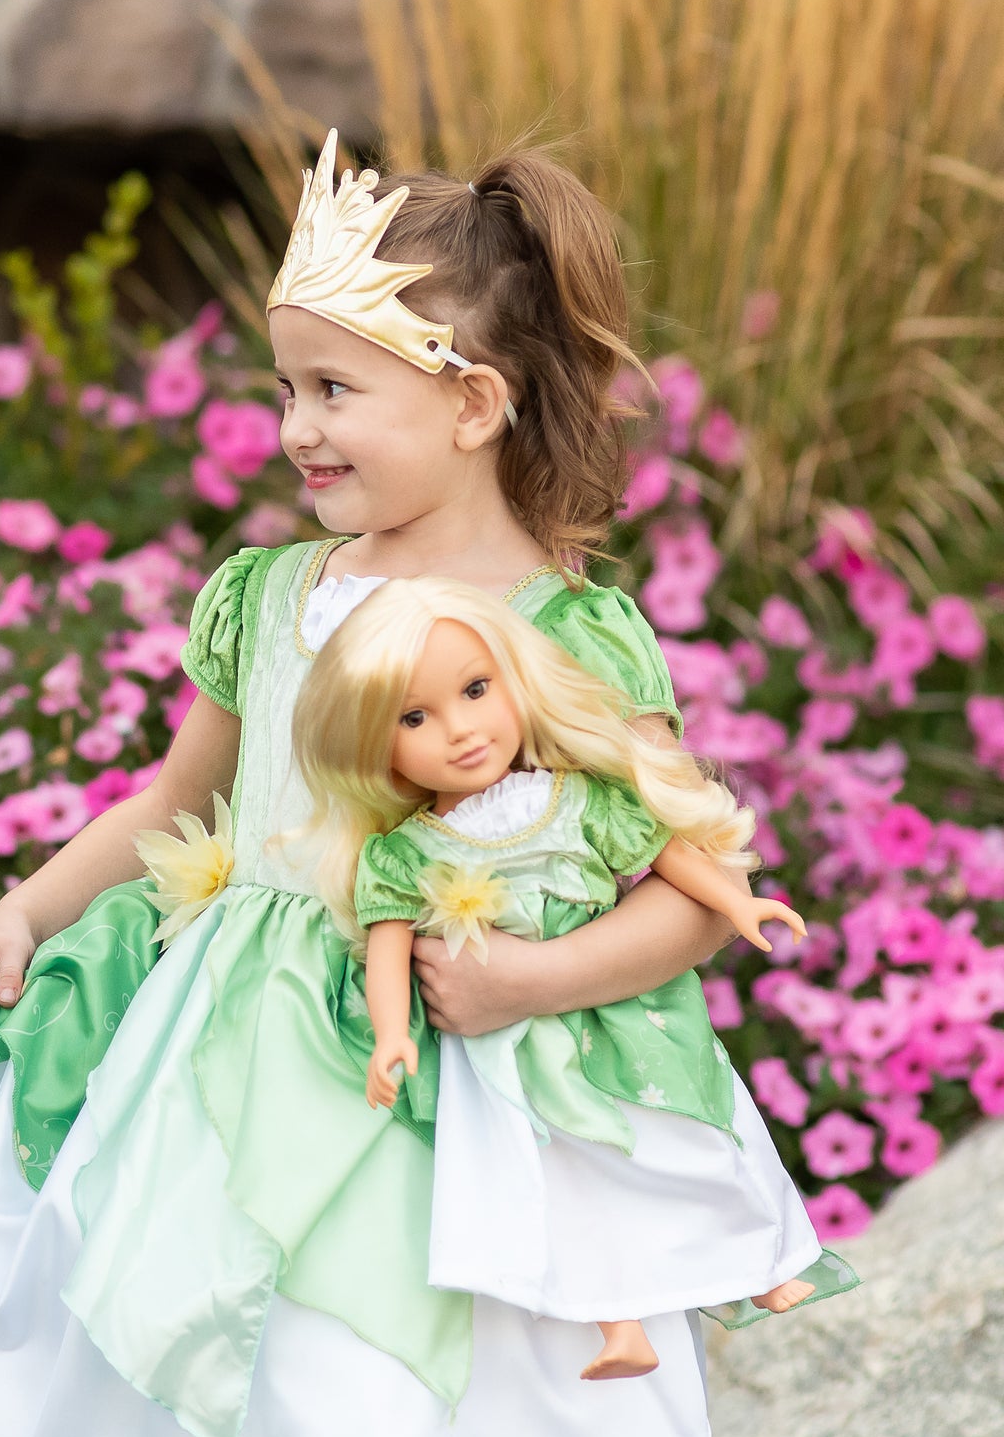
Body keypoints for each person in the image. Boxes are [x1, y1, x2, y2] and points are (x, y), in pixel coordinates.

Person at [0, 129, 822, 1437]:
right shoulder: (276, 598)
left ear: (473, 403)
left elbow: (695, 894)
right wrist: (33, 904)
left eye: (333, 390)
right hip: (253, 1058)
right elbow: (181, 804)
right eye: (283, 388)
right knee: (283, 1385)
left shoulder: (564, 634)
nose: (294, 428)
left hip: (483, 1082)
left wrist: (523, 985)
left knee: (459, 1397)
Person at [290, 575, 856, 1383]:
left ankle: (758, 1264)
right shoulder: (405, 852)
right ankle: (617, 1323)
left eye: (475, 690)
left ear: (513, 680)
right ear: (371, 745)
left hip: (618, 1007)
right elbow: (387, 949)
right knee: (560, 1174)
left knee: (683, 1131)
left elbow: (668, 854)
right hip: (512, 1046)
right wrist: (390, 1037)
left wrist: (738, 902)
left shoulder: (576, 800)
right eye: (414, 718)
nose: (461, 730)